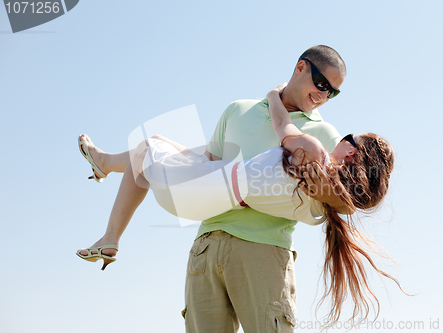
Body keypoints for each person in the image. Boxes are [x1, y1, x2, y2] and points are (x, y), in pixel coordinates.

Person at [77, 45, 399, 331]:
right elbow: (207, 166)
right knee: (151, 147)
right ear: (301, 67)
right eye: (322, 84)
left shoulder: (325, 133)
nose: (324, 95)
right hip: (207, 243)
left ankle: (105, 164)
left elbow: (348, 200)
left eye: (333, 92)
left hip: (261, 251)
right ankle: (110, 227)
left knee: (150, 148)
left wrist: (274, 97)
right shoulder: (238, 110)